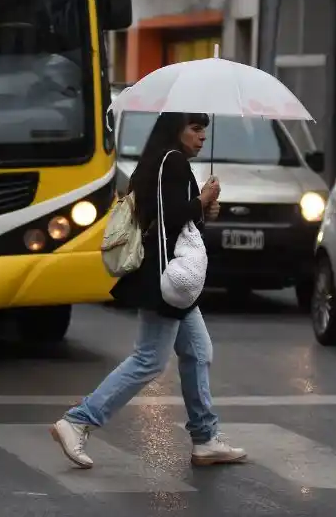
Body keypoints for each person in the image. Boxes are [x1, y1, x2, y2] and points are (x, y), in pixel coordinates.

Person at [50, 112, 246, 469]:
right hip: (167, 278)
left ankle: (204, 438)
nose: (202, 137)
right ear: (177, 130)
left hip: (171, 276)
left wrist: (204, 209)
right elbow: (171, 219)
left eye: (205, 130)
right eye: (196, 129)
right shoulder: (171, 161)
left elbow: (170, 217)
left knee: (198, 351)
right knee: (148, 359)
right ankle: (79, 420)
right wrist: (202, 200)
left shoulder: (161, 161)